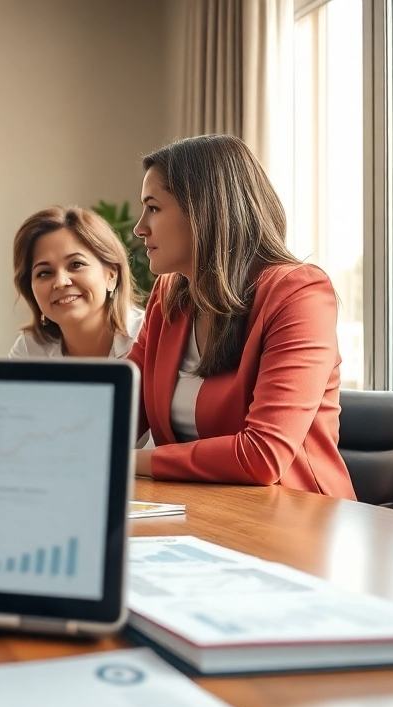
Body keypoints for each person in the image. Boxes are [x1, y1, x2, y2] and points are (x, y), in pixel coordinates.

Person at [127, 135, 355, 498]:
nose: (140, 227)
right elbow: (116, 407)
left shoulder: (298, 294)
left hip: (296, 523)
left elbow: (262, 455)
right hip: (203, 512)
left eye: (153, 207)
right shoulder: (169, 295)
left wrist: (130, 462)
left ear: (205, 210)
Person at [8, 206, 145, 359]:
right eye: (44, 273)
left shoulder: (151, 337)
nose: (60, 282)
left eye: (76, 265)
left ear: (111, 275)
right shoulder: (29, 350)